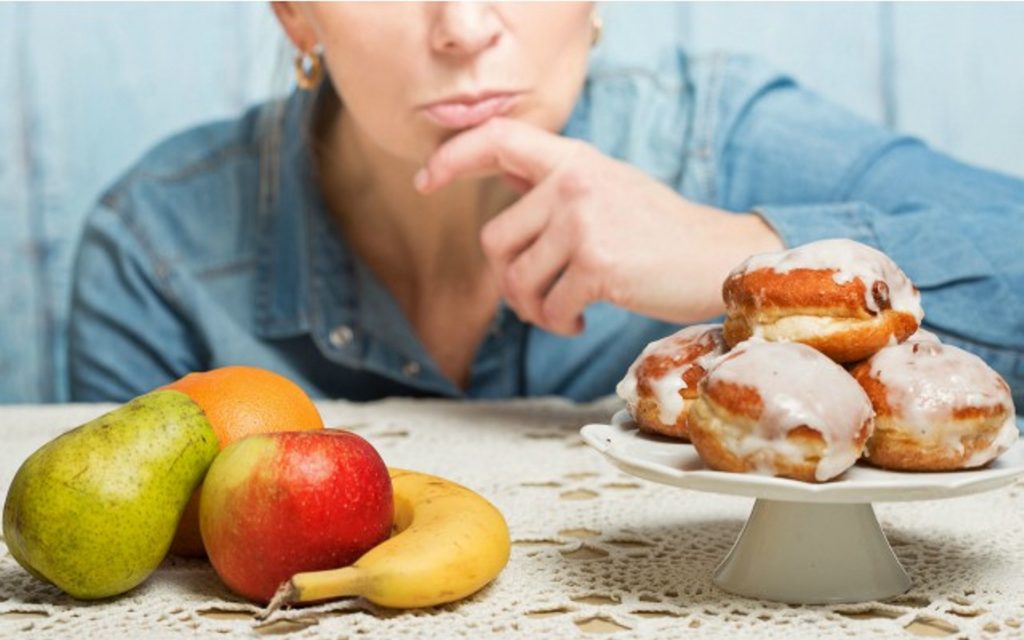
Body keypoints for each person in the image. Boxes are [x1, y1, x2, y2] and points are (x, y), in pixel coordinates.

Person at [69, 2, 1024, 414]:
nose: (463, 27)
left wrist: (733, 257)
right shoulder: (157, 252)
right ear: (295, 12)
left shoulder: (716, 136)